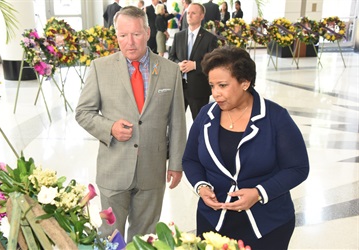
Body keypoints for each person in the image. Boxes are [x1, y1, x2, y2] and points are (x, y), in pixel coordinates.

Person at [75, 6, 186, 242]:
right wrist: (110, 128)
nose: (130, 42)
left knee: (145, 236)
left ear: (147, 32)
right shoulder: (100, 68)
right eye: (123, 35)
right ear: (116, 35)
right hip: (114, 168)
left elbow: (177, 121)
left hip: (152, 170)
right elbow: (83, 112)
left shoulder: (170, 70)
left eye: (135, 34)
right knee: (109, 235)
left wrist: (176, 163)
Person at [182, 47, 309, 250]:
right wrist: (201, 186)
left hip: (267, 224)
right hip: (214, 222)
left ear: (245, 83)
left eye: (223, 85)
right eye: (212, 85)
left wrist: (259, 193)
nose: (215, 93)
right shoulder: (206, 114)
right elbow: (190, 159)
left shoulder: (275, 117)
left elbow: (298, 168)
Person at [169, 3, 218, 120]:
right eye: (188, 13)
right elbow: (171, 58)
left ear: (201, 16)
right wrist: (178, 65)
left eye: (193, 13)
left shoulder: (210, 38)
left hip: (199, 89)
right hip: (179, 88)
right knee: (176, 122)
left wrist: (195, 65)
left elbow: (213, 63)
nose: (189, 16)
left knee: (200, 123)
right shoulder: (178, 36)